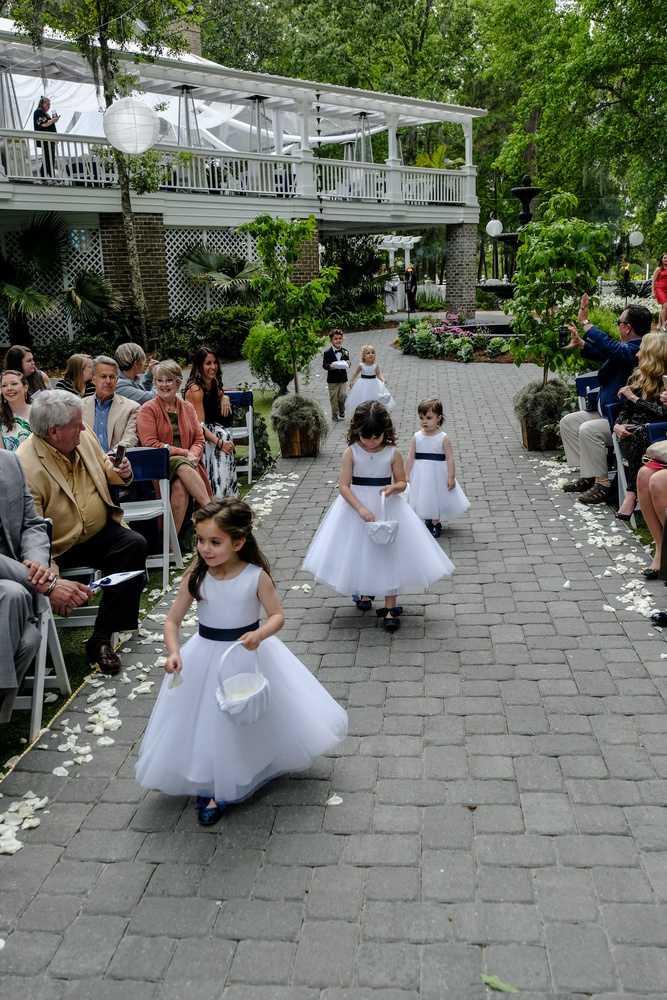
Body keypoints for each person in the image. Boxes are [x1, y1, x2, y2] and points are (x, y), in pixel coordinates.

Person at [135, 497, 348, 825]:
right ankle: (211, 784)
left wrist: (260, 635)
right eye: (201, 540)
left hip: (245, 654)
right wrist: (174, 651)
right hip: (204, 656)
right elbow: (172, 621)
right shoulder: (197, 575)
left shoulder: (255, 576)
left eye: (214, 542)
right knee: (207, 720)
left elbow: (277, 615)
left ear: (238, 542)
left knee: (247, 713)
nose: (205, 549)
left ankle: (248, 762)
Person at [17, 390, 148, 675]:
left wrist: (121, 472)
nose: (83, 428)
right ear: (53, 431)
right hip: (58, 545)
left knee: (134, 544)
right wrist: (50, 583)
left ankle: (101, 637)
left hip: (99, 531)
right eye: (76, 425)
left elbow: (103, 464)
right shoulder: (25, 465)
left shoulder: (80, 431)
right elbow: (32, 534)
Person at [302, 401, 455, 629]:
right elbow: (343, 486)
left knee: (387, 553)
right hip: (356, 507)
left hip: (386, 507)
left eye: (377, 436)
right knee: (359, 550)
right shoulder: (351, 452)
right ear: (357, 431)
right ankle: (364, 590)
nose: (372, 441)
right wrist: (360, 507)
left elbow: (402, 482)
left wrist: (394, 488)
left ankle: (390, 606)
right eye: (366, 436)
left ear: (386, 431)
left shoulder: (393, 452)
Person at [0, 449, 90, 722]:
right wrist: (45, 584)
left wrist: (38, 563)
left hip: (17, 579)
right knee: (15, 597)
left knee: (30, 638)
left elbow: (33, 525)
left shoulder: (8, 461)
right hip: (15, 584)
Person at [559, 294, 651, 504]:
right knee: (568, 423)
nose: (617, 327)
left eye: (619, 323)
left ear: (627, 327)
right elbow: (608, 354)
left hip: (619, 417)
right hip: (604, 411)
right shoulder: (627, 349)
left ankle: (602, 484)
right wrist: (582, 344)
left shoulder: (642, 348)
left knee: (588, 430)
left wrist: (585, 323)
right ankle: (588, 475)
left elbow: (613, 349)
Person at [136, 360, 212, 536]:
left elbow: (199, 439)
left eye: (169, 380)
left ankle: (170, 543)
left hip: (187, 465)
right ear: (154, 383)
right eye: (159, 380)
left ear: (178, 382)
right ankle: (211, 511)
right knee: (181, 462)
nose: (164, 385)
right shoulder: (148, 409)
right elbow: (151, 444)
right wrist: (186, 454)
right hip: (159, 464)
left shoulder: (187, 407)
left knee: (180, 487)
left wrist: (193, 454)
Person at [611, 333, 667, 521]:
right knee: (639, 431)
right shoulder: (637, 378)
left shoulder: (665, 382)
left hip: (657, 438)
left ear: (652, 353)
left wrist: (634, 399)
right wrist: (617, 426)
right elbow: (624, 413)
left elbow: (663, 415)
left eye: (641, 349)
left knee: (644, 430)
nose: (637, 354)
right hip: (630, 440)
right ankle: (632, 494)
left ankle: (631, 494)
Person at [405, 397, 470, 537]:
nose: (424, 421)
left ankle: (435, 523)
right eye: (421, 418)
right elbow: (410, 456)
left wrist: (451, 476)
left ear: (438, 418)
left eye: (429, 418)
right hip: (421, 472)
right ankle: (427, 519)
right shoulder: (416, 437)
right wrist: (407, 474)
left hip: (437, 473)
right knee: (424, 495)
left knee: (435, 496)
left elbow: (450, 458)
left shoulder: (443, 437)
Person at [182, 346, 238, 498]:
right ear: (200, 366)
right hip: (197, 435)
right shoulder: (196, 390)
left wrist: (224, 397)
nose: (213, 367)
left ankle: (226, 496)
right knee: (224, 444)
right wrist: (220, 442)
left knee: (226, 441)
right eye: (208, 363)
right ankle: (220, 496)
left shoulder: (213, 382)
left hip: (213, 430)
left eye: (215, 363)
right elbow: (199, 426)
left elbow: (220, 392)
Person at [82, 356, 139, 451]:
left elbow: (129, 441)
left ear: (116, 380)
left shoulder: (132, 408)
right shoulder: (78, 407)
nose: (108, 381)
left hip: (116, 462)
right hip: (85, 463)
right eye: (103, 376)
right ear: (93, 380)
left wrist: (110, 459)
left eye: (112, 377)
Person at [345, 345, 395, 414]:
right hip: (363, 383)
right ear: (364, 356)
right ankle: (364, 411)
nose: (371, 354)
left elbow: (378, 374)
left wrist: (382, 379)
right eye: (368, 353)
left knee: (375, 398)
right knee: (363, 397)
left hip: (374, 383)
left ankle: (375, 411)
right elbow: (356, 372)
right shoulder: (361, 365)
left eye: (372, 353)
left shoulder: (375, 365)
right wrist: (352, 381)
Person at [322, 329, 350, 422]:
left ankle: (342, 410)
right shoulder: (327, 353)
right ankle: (334, 413)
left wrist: (348, 363)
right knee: (333, 397)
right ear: (331, 341)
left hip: (342, 378)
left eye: (340, 338)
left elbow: (347, 362)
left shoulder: (345, 352)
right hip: (332, 379)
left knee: (343, 395)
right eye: (335, 339)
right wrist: (329, 366)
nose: (338, 340)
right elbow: (324, 365)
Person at [0, 370, 33, 451]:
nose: (9, 388)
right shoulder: (1, 418)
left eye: (14, 384)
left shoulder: (40, 412)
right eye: (4, 385)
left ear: (25, 388)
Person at [33, 96, 59, 184]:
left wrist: (52, 120)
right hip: (45, 139)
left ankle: (46, 178)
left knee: (50, 158)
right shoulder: (39, 112)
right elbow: (42, 124)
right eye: (47, 105)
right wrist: (52, 121)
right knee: (49, 158)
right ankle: (51, 178)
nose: (49, 107)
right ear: (43, 104)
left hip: (49, 139)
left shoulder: (44, 113)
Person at [652, 253, 667, 332]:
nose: (666, 260)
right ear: (661, 259)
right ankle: (663, 325)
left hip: (666, 289)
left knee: (664, 308)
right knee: (665, 305)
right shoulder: (658, 269)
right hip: (659, 288)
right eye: (664, 258)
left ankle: (659, 324)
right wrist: (653, 292)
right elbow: (654, 281)